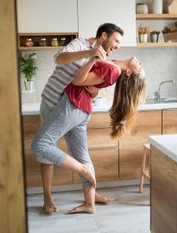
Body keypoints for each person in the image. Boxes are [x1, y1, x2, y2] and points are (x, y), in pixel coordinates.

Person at [32, 56, 146, 214]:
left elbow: (78, 80)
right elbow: (91, 81)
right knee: (82, 155)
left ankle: (82, 169)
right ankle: (89, 204)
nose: (140, 63)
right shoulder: (113, 64)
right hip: (83, 109)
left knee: (40, 144)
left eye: (139, 68)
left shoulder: (113, 69)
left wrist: (92, 59)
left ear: (128, 72)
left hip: (73, 105)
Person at [36, 23, 124, 214]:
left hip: (72, 107)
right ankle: (47, 198)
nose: (117, 45)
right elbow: (59, 59)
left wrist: (93, 93)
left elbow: (90, 86)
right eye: (116, 40)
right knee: (46, 152)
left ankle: (91, 197)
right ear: (103, 35)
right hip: (52, 101)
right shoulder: (79, 43)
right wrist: (89, 53)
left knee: (79, 153)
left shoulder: (103, 57)